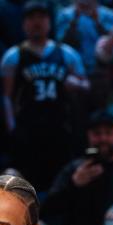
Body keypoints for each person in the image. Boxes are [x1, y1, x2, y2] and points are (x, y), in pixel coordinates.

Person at [2, 0, 88, 191]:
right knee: (29, 183)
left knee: (60, 182)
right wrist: (12, 127)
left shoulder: (66, 53)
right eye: (31, 18)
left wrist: (76, 84)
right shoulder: (13, 56)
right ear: (24, 24)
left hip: (60, 128)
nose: (36, 22)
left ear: (49, 21)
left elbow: (86, 85)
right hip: (28, 129)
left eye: (41, 17)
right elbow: (6, 96)